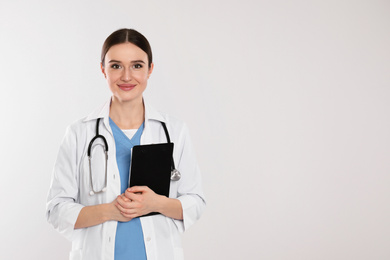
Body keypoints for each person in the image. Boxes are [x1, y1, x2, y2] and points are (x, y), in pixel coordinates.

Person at [46, 28, 206, 260]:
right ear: (103, 69)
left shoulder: (173, 131)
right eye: (116, 65)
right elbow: (56, 209)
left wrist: (156, 203)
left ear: (150, 69)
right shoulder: (79, 133)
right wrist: (109, 211)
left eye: (137, 65)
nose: (127, 76)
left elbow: (195, 201)